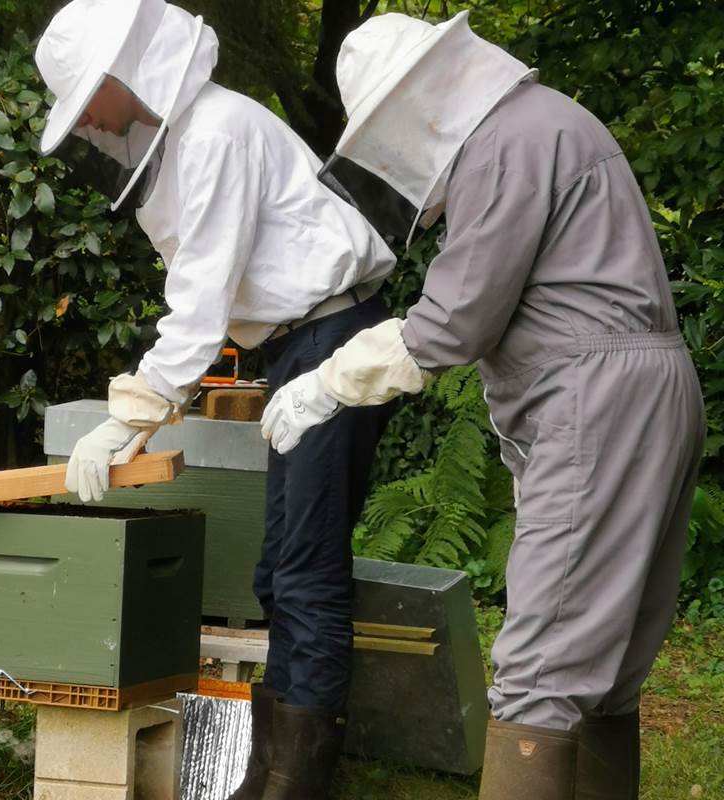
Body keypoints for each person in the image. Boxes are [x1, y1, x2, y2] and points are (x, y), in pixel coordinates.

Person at [259, 11, 705, 800]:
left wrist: (328, 382)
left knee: (538, 668)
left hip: (593, 402)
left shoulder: (504, 142)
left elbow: (454, 320)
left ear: (423, 100)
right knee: (608, 665)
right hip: (649, 389)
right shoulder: (551, 121)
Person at [34, 0, 398, 795]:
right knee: (281, 573)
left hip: (331, 343)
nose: (89, 121)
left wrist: (128, 415)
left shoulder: (216, 134)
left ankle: (291, 786)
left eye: (88, 99)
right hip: (305, 346)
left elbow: (199, 303)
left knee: (305, 573)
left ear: (121, 74)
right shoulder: (193, 137)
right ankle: (271, 772)